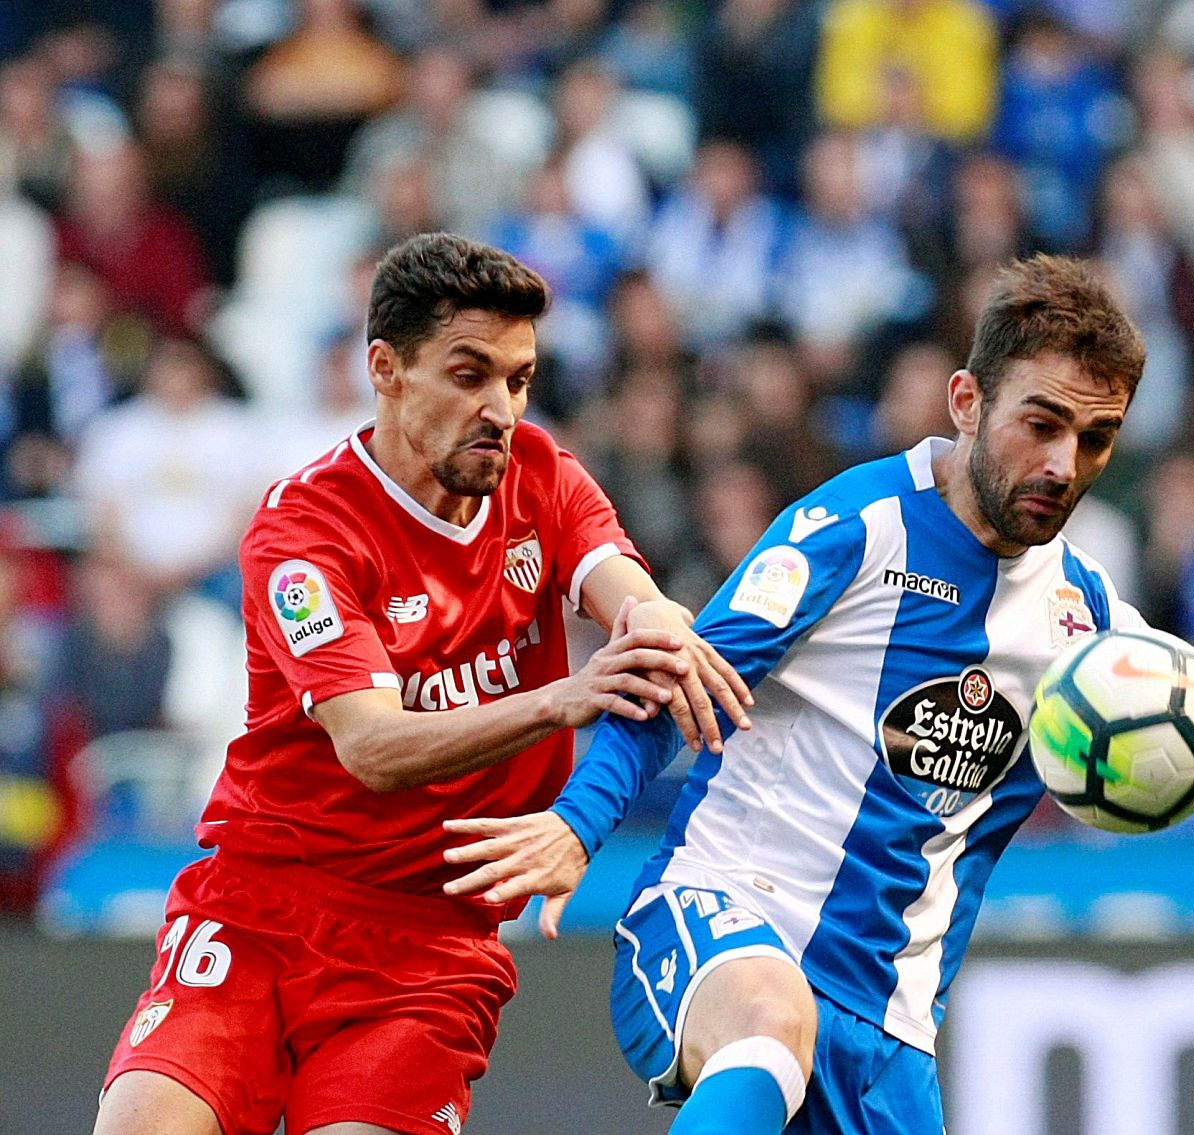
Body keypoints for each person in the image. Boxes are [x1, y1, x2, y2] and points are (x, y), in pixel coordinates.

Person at [443, 255, 1194, 1135]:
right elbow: (669, 691)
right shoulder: (851, 532)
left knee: (803, 1036)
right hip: (719, 925)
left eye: (1095, 439)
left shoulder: (1087, 628)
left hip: (888, 1030)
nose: (1062, 464)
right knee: (769, 1027)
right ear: (966, 399)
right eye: (1041, 423)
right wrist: (576, 825)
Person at [94, 231, 753, 1135]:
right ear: (387, 369)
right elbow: (371, 744)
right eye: (469, 374)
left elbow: (638, 605)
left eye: (519, 380)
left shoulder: (543, 479)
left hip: (431, 943)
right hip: (264, 904)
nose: (500, 409)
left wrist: (657, 625)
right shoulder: (306, 532)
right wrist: (561, 699)